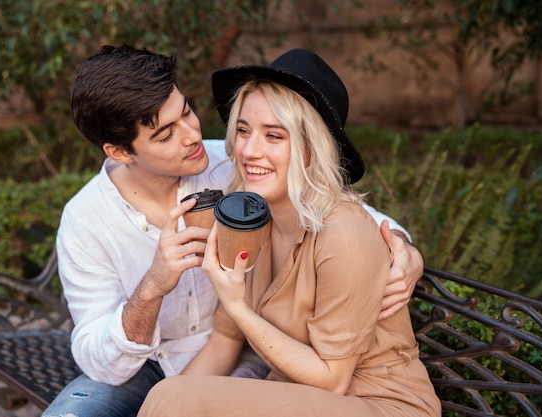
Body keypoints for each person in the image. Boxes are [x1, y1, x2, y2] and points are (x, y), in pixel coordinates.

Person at [42, 45, 424, 417]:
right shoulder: (247, 209)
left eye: (187, 112)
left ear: (312, 146)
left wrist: (403, 247)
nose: (193, 137)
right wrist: (153, 286)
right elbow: (110, 357)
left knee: (177, 399)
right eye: (242, 131)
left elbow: (344, 213)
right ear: (120, 153)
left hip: (346, 393)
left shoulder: (243, 184)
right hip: (151, 368)